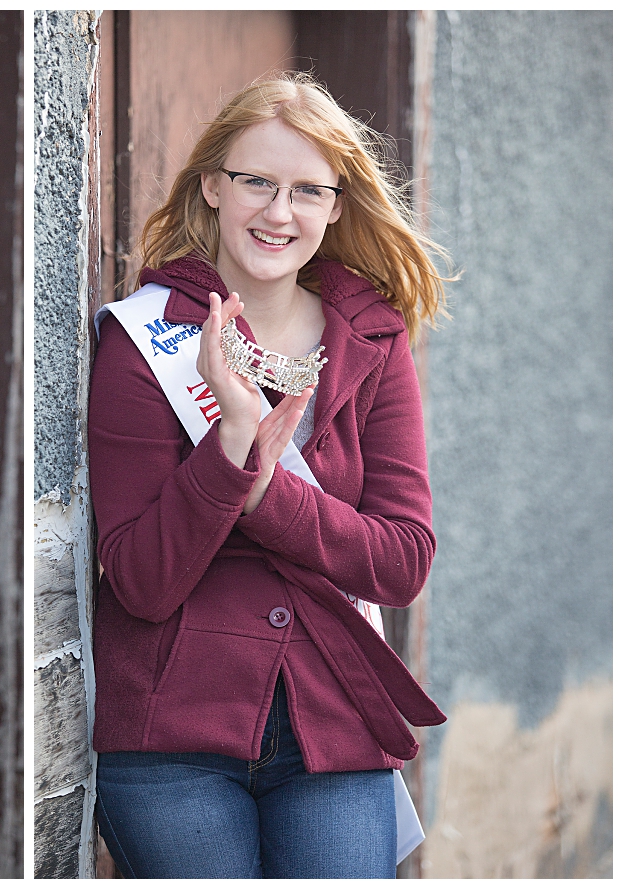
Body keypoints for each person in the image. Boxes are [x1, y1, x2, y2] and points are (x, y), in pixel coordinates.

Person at [88, 71, 452, 879]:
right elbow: (141, 580)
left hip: (332, 725)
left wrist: (262, 488)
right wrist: (227, 452)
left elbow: (400, 560)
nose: (278, 212)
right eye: (256, 181)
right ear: (213, 185)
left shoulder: (372, 344)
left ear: (335, 206)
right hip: (170, 731)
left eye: (305, 191)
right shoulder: (142, 340)